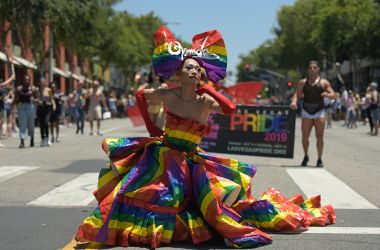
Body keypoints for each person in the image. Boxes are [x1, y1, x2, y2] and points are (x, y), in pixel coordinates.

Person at [71, 26, 335, 249]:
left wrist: (209, 87)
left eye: (198, 69)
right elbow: (141, 94)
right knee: (136, 190)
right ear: (180, 72)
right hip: (163, 153)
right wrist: (152, 128)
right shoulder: (168, 94)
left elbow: (230, 109)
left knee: (209, 204)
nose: (194, 71)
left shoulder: (206, 100)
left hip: (189, 160)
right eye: (189, 68)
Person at [290, 60, 335, 167]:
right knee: (305, 137)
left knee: (319, 136)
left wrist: (328, 95)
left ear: (318, 69)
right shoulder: (302, 82)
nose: (312, 69)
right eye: (310, 68)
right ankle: (306, 156)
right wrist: (293, 101)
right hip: (306, 111)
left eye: (314, 67)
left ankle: (319, 159)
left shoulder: (324, 82)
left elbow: (333, 94)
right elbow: (296, 94)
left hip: (319, 111)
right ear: (307, 70)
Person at [15, 74, 38, 148]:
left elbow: (37, 98)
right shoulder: (19, 88)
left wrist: (35, 99)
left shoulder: (33, 88)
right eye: (25, 79)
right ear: (23, 80)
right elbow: (16, 99)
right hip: (22, 106)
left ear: (30, 80)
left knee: (31, 124)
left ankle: (32, 139)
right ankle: (22, 141)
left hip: (30, 106)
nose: (26, 81)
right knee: (22, 124)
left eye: (28, 80)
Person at [36, 77, 56, 147]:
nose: (41, 83)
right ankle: (42, 139)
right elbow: (35, 99)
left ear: (45, 82)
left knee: (46, 122)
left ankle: (47, 139)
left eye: (43, 82)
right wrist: (38, 101)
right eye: (40, 82)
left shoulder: (48, 90)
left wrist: (53, 104)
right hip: (40, 108)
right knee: (41, 124)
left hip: (47, 108)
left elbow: (51, 98)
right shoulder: (37, 90)